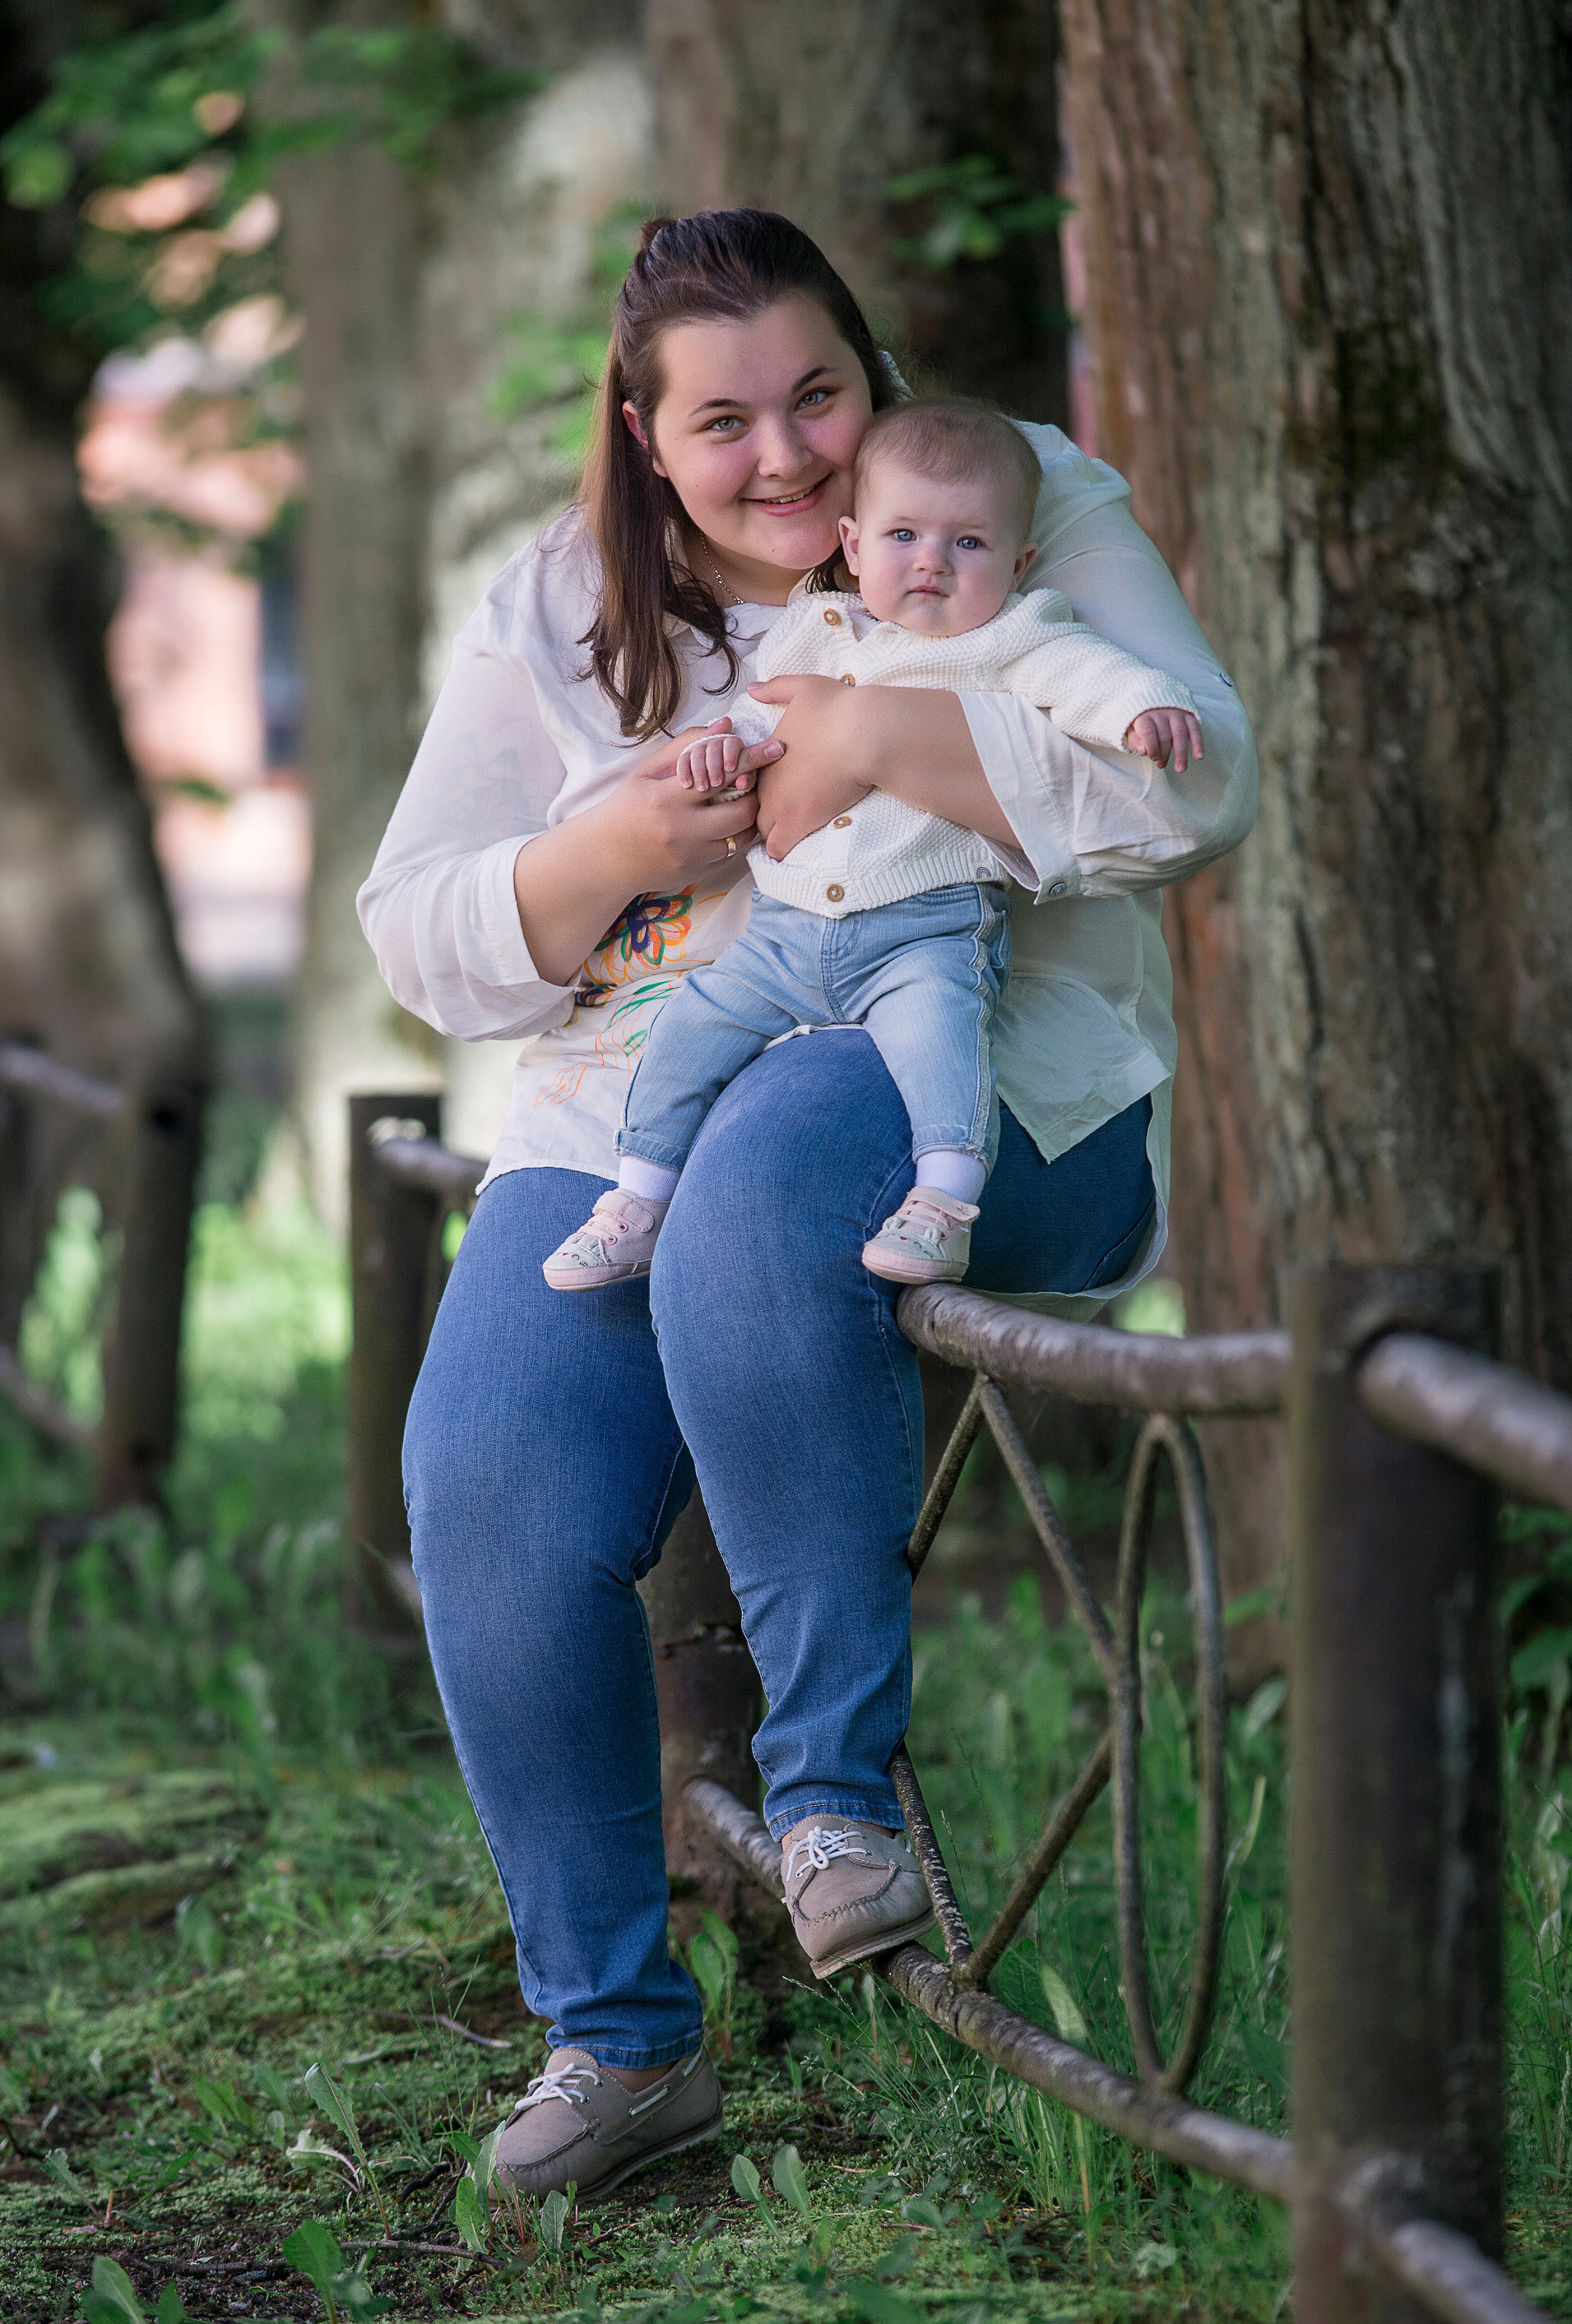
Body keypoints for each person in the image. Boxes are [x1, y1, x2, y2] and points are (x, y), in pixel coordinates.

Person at [357, 209, 1256, 2206]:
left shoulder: (1015, 503)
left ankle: (836, 1808)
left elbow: (1200, 792)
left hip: (986, 1099)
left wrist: (865, 729)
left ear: (876, 369)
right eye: (721, 422)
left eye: (819, 396)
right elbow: (420, 935)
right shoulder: (560, 604)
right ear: (640, 432)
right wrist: (598, 848)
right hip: (631, 1113)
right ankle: (614, 2036)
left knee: (769, 1168)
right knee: (487, 1483)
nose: (783, 460)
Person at [541, 399, 1200, 1295]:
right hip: (784, 931)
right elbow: (753, 717)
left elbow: (1084, 674)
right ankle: (637, 1201)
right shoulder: (819, 631)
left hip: (924, 931)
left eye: (968, 544)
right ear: (851, 547)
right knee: (690, 1029)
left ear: (1018, 562)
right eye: (902, 535)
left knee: (943, 1043)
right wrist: (716, 750)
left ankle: (942, 1203)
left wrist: (1142, 705)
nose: (930, 561)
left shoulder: (1011, 637)